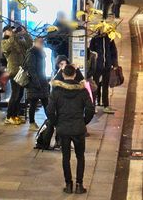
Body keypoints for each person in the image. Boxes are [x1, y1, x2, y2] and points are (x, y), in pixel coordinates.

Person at [47, 63, 94, 194]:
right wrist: (84, 122)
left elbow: (50, 110)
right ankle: (79, 185)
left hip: (63, 128)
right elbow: (90, 109)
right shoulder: (82, 91)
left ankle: (68, 185)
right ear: (74, 74)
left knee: (65, 157)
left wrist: (56, 123)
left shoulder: (56, 91)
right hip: (78, 128)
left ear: (63, 75)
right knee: (80, 157)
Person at [3, 26, 32, 125]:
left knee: (20, 94)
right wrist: (13, 36)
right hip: (13, 71)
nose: (12, 32)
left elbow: (29, 45)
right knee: (15, 94)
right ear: (5, 32)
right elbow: (6, 48)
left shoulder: (19, 41)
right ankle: (8, 116)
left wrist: (25, 34)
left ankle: (15, 114)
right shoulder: (5, 41)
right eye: (10, 30)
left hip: (21, 71)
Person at [87, 29, 118, 110]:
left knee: (105, 86)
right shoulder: (95, 39)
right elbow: (91, 52)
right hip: (97, 67)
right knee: (95, 86)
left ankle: (106, 104)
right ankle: (95, 104)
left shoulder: (110, 38)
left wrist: (114, 64)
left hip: (107, 66)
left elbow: (113, 52)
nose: (103, 31)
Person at [25, 36, 51, 128]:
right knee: (33, 104)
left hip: (42, 80)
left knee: (46, 103)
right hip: (34, 82)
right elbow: (31, 69)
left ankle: (51, 121)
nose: (41, 44)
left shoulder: (40, 52)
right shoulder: (32, 53)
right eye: (39, 42)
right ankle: (32, 123)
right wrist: (37, 82)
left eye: (42, 42)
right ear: (34, 42)